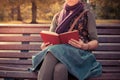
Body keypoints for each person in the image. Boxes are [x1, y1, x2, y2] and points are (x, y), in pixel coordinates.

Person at [30, 0, 102, 80]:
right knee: (59, 69)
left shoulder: (87, 14)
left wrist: (85, 46)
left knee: (51, 52)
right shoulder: (57, 16)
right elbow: (51, 37)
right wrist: (45, 46)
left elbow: (95, 41)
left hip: (79, 56)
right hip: (59, 56)